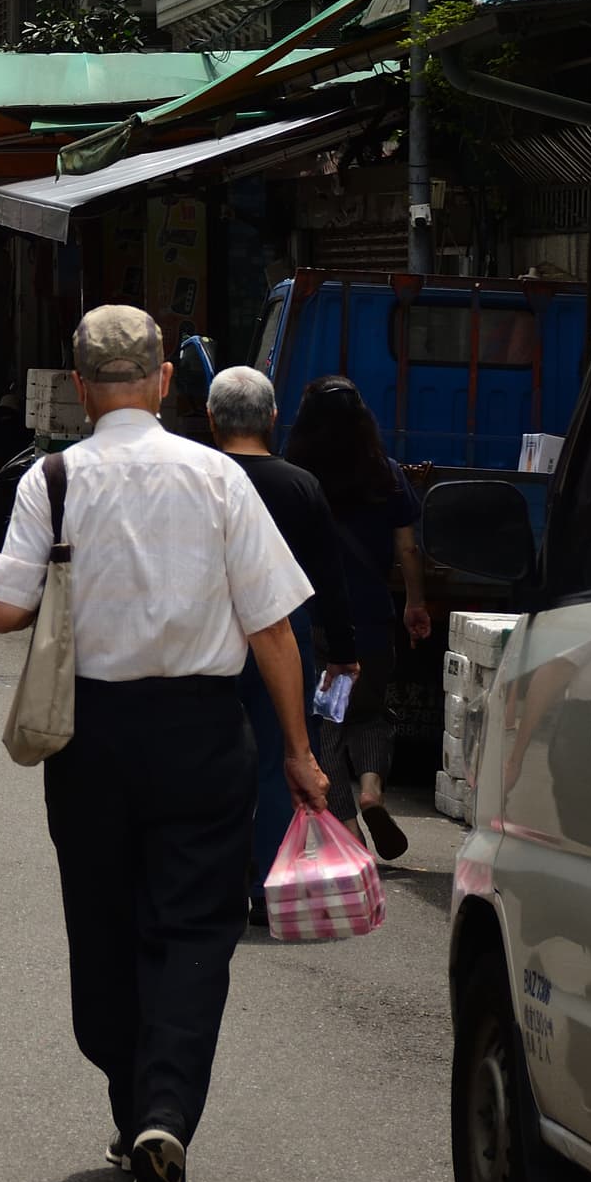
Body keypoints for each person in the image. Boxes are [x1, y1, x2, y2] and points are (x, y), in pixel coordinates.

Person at [0, 305, 325, 1182]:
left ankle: (137, 1108)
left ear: (82, 385)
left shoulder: (50, 479)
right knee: (193, 933)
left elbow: (6, 614)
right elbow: (272, 628)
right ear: (166, 379)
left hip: (90, 737)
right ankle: (164, 1114)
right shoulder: (219, 477)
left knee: (102, 924)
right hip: (205, 735)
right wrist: (297, 753)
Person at [206, 365, 357, 903]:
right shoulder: (299, 484)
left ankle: (214, 885)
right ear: (272, 417)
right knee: (280, 758)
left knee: (207, 755)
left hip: (208, 630)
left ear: (210, 416)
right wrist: (342, 649)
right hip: (284, 633)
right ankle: (271, 891)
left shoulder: (198, 478)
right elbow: (327, 576)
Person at [283, 373, 431, 864]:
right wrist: (414, 603)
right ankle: (371, 790)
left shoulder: (296, 476)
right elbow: (407, 548)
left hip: (317, 623)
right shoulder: (387, 473)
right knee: (369, 712)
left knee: (326, 726)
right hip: (370, 620)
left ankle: (347, 829)